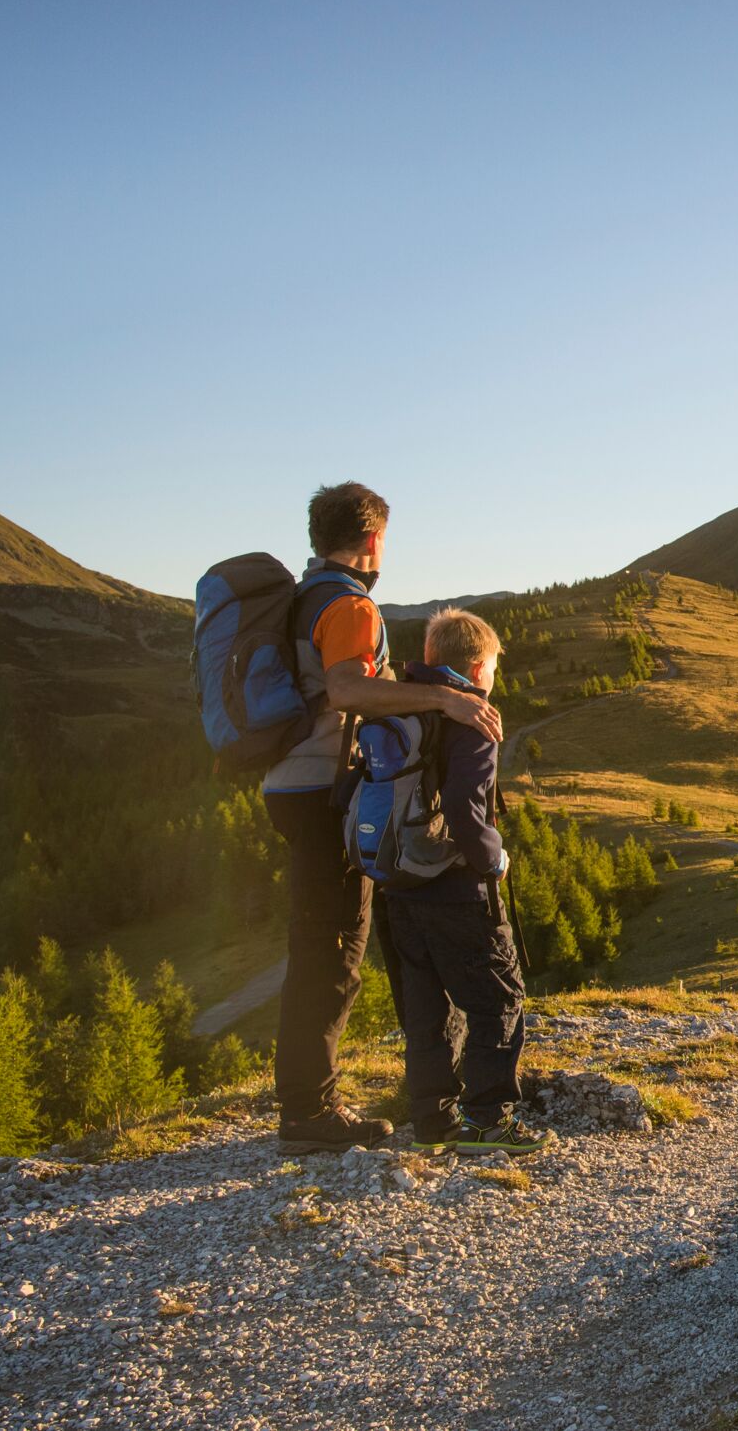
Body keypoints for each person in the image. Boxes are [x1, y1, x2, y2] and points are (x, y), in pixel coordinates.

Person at [263, 483, 504, 1155]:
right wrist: (444, 702)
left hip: (291, 784)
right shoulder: (348, 602)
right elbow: (345, 689)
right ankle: (309, 1114)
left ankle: (314, 1103)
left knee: (323, 943)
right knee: (332, 950)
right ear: (373, 539)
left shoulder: (305, 594)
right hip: (322, 792)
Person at [387, 609, 545, 1156]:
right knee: (498, 999)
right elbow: (462, 806)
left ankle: (432, 1121)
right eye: (495, 667)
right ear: (479, 667)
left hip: (399, 881)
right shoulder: (474, 717)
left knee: (427, 1004)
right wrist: (491, 858)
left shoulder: (398, 705)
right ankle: (488, 1121)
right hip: (455, 884)